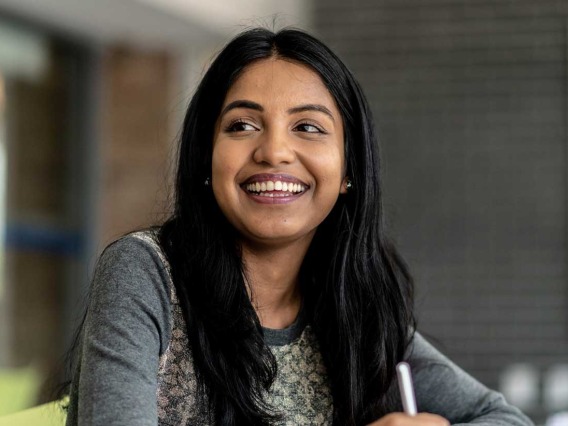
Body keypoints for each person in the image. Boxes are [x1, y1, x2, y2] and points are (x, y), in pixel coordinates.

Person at [65, 28, 533, 426]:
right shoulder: (146, 271)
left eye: (308, 127)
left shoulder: (358, 308)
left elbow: (507, 418)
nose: (274, 151)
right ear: (206, 159)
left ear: (349, 170)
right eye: (242, 125)